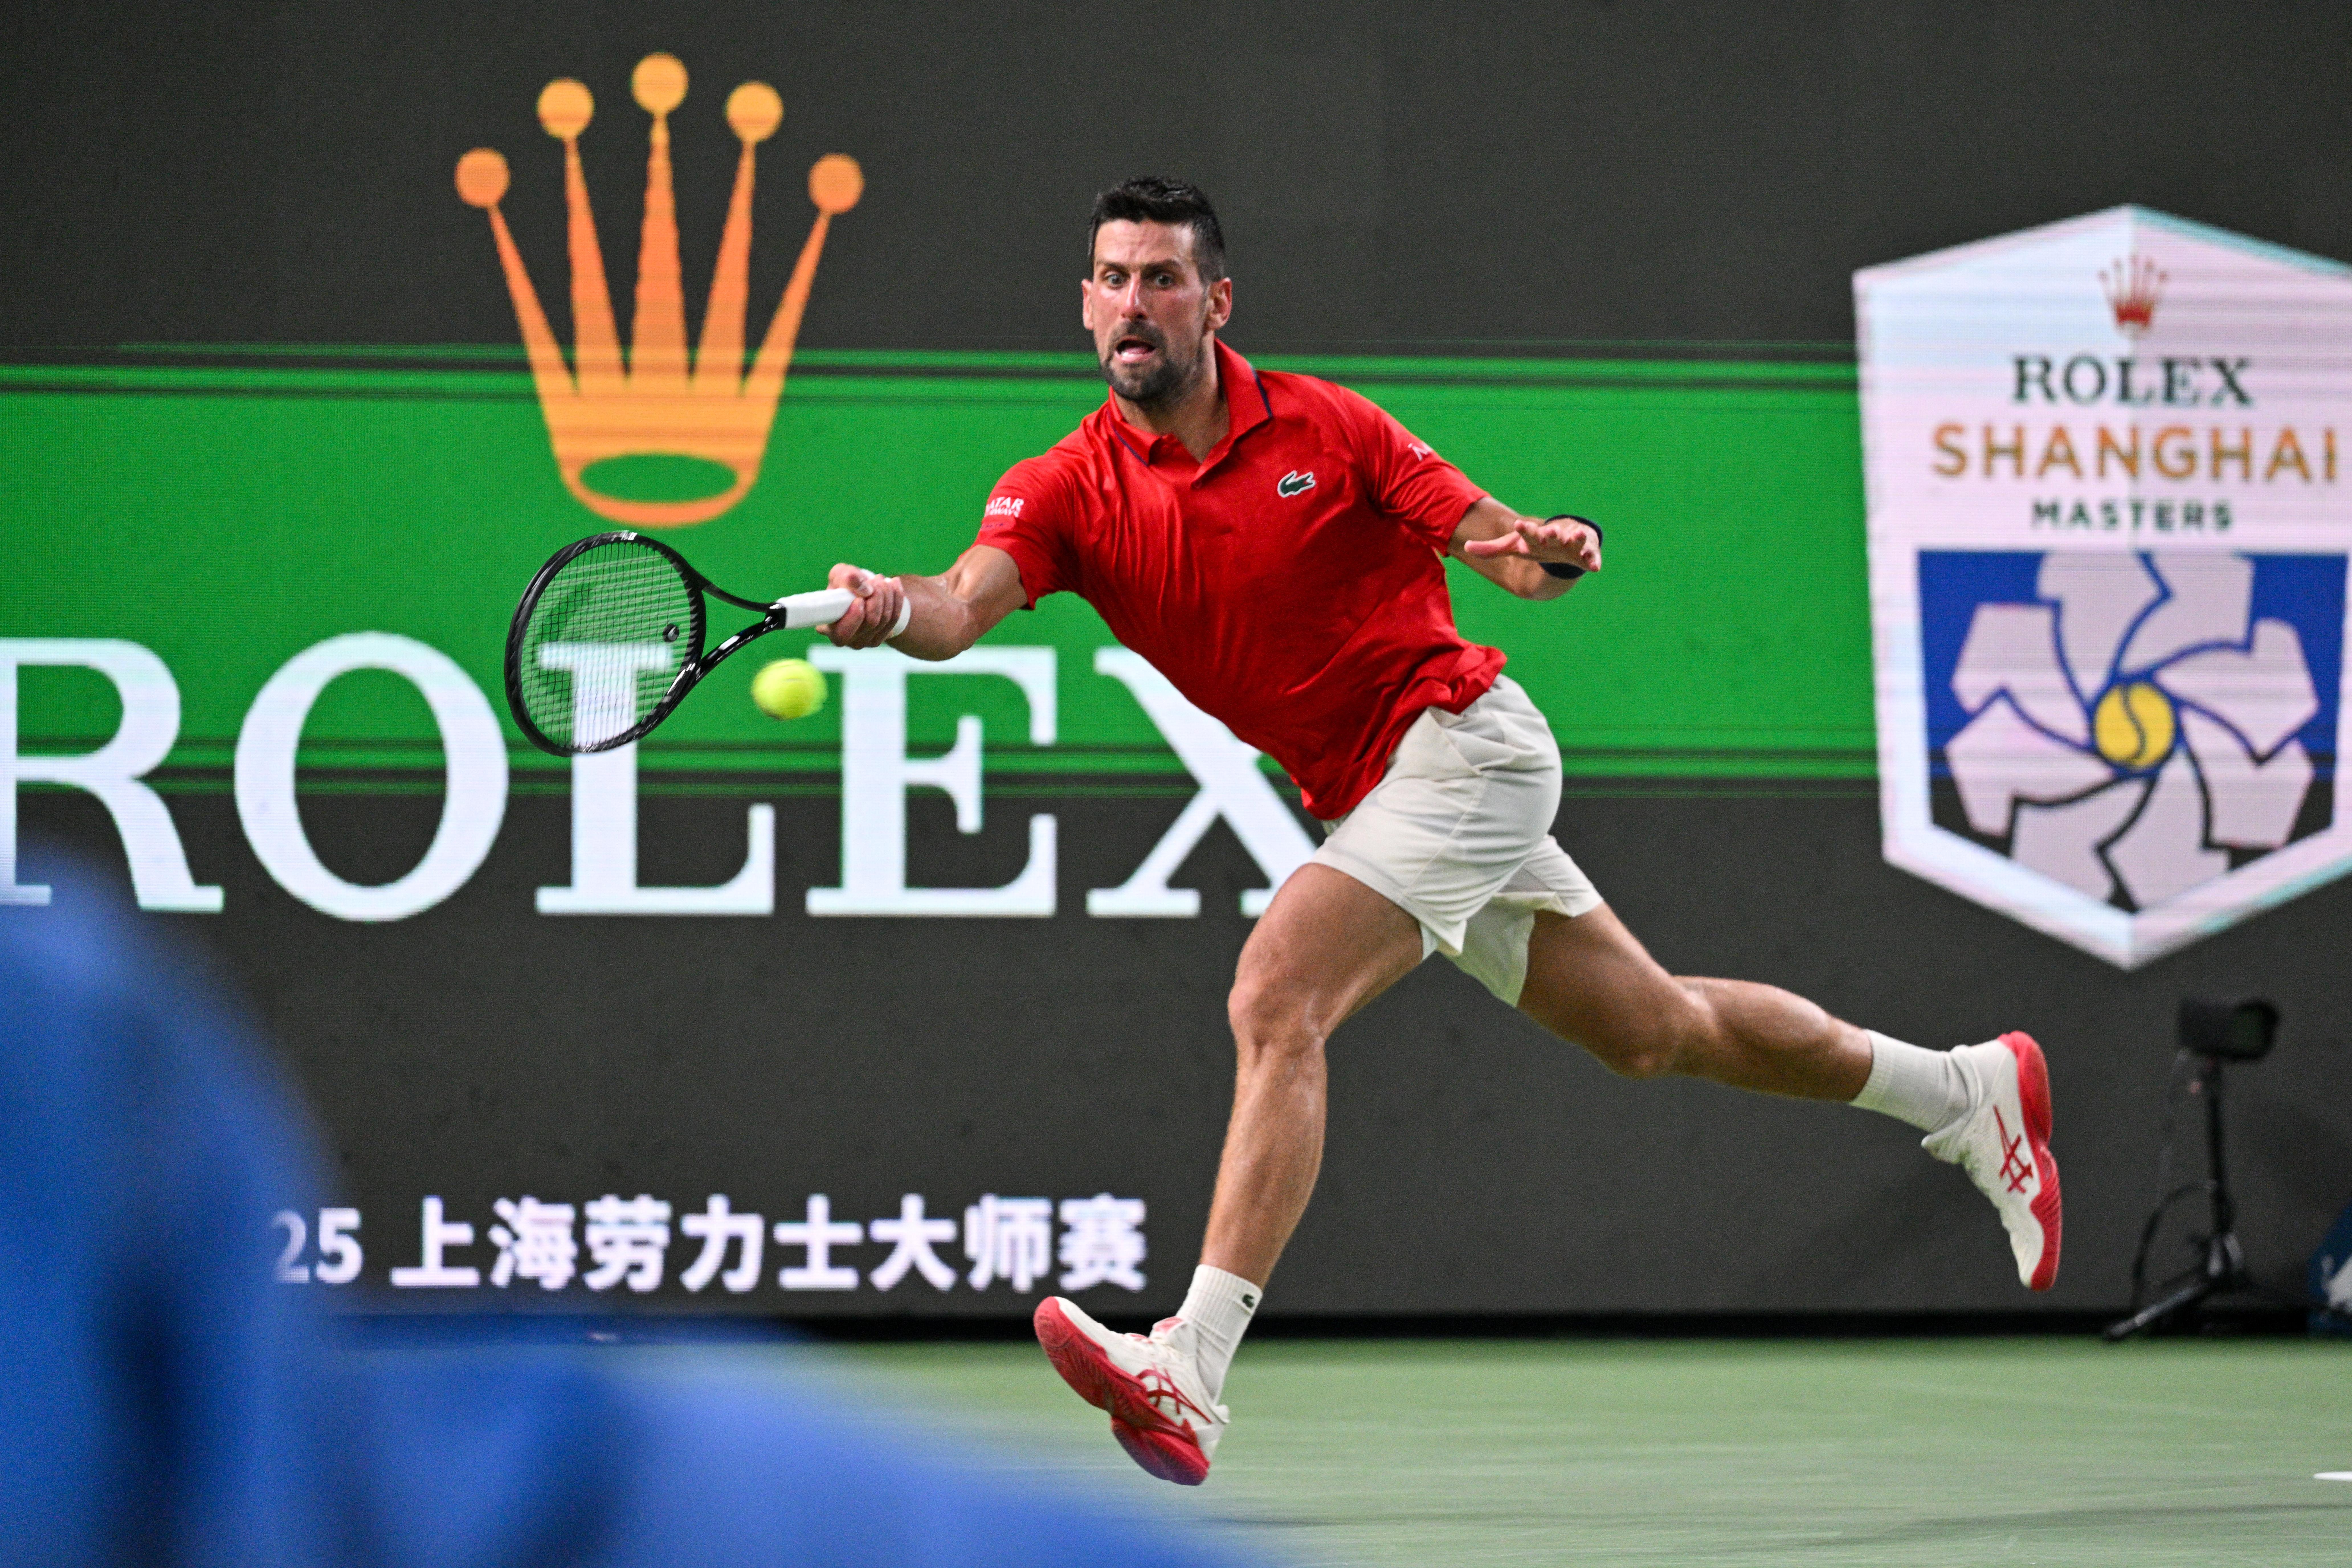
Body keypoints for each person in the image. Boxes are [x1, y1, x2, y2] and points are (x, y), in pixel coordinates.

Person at [818, 176, 2062, 1487]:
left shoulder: (1327, 426)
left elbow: (1504, 551)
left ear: (1215, 301)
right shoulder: (1065, 489)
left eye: (1164, 279)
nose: (1136, 305)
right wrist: (881, 608)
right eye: (1115, 279)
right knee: (1655, 1031)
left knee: (1277, 990)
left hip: (1465, 745)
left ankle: (1191, 1363)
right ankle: (1967, 1088)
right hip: (1377, 792)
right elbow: (956, 604)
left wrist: (1549, 544)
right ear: (1086, 304)